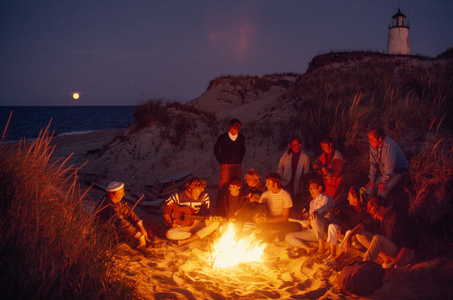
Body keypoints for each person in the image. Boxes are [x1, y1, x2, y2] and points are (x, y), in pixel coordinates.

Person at [341, 196, 417, 280]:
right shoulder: (382, 213)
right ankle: (386, 259)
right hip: (393, 248)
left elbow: (408, 246)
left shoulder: (398, 218)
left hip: (405, 255)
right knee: (360, 234)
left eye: (374, 214)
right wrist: (350, 235)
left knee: (378, 239)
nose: (374, 217)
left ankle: (361, 268)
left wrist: (393, 267)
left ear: (381, 209)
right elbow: (364, 225)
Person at [324, 186, 379, 266]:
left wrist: (344, 230)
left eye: (349, 197)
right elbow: (350, 222)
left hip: (360, 240)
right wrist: (340, 214)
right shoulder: (352, 208)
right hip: (350, 236)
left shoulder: (366, 211)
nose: (347, 199)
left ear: (356, 199)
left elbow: (359, 227)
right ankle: (333, 254)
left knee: (350, 232)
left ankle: (338, 258)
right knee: (332, 226)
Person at [161, 177, 219, 246]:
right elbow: (163, 205)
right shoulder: (179, 196)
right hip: (183, 226)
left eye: (200, 191)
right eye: (196, 191)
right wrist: (169, 221)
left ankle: (189, 239)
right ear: (189, 189)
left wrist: (208, 216)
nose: (198, 194)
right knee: (169, 234)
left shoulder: (203, 196)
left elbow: (207, 210)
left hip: (197, 223)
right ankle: (198, 236)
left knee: (215, 223)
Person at [285, 179, 334, 257]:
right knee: (289, 236)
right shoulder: (312, 203)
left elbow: (325, 208)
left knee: (315, 217)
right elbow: (312, 219)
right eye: (309, 188)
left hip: (326, 229)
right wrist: (309, 224)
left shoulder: (327, 198)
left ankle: (322, 247)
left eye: (312, 187)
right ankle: (308, 249)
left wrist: (316, 212)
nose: (309, 190)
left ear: (320, 188)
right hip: (316, 232)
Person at [97, 182, 149, 249]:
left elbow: (127, 210)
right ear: (115, 194)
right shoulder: (108, 207)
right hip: (103, 235)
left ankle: (142, 243)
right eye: (122, 193)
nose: (124, 194)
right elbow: (121, 223)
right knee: (127, 228)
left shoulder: (112, 201)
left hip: (111, 229)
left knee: (131, 222)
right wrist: (139, 236)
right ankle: (139, 246)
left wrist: (139, 224)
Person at [253, 173, 302, 241]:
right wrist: (255, 219)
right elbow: (259, 211)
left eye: (268, 183)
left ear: (275, 183)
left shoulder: (285, 195)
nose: (266, 185)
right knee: (261, 205)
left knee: (297, 226)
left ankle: (273, 236)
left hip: (279, 222)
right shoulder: (265, 195)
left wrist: (268, 220)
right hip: (267, 221)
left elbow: (284, 217)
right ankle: (270, 233)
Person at [365, 128, 409, 199]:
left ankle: (384, 208)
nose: (370, 142)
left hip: (398, 171)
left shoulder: (389, 145)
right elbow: (373, 164)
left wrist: (384, 181)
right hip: (385, 171)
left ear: (380, 138)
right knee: (370, 190)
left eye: (372, 139)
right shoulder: (373, 145)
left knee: (381, 192)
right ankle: (370, 207)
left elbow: (390, 166)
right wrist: (372, 180)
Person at [214, 118, 246, 191]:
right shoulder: (222, 138)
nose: (234, 131)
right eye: (232, 129)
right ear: (229, 127)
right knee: (223, 186)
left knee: (237, 185)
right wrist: (221, 161)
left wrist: (239, 160)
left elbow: (242, 150)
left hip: (237, 165)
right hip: (225, 166)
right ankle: (221, 202)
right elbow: (216, 149)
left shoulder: (241, 138)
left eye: (236, 129)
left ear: (239, 129)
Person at [277, 136, 310, 203]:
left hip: (296, 185)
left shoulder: (305, 157)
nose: (293, 146)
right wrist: (278, 179)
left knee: (293, 203)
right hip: (285, 183)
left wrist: (303, 189)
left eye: (295, 145)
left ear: (300, 145)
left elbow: (306, 174)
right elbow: (280, 167)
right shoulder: (286, 155)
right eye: (292, 144)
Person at [313, 137, 346, 201]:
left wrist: (327, 173)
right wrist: (316, 163)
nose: (323, 148)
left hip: (334, 183)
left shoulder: (337, 157)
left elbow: (337, 173)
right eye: (322, 147)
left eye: (325, 146)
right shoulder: (325, 154)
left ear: (330, 145)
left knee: (327, 200)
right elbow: (319, 160)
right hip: (326, 182)